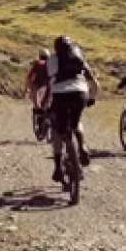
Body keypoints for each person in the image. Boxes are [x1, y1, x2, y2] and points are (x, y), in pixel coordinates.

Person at [47, 35, 100, 182]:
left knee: (58, 129)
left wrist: (46, 104)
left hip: (60, 95)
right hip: (80, 93)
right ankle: (82, 147)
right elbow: (94, 82)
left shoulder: (52, 59)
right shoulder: (79, 58)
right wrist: (92, 99)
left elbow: (49, 82)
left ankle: (58, 167)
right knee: (76, 122)